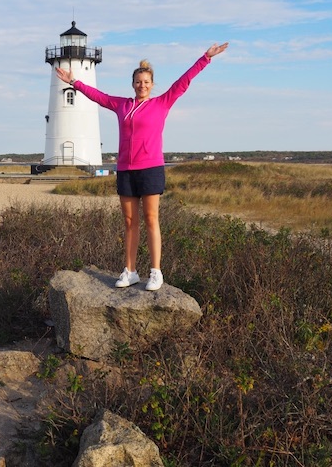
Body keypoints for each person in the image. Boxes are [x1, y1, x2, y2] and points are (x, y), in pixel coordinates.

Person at [55, 42, 228, 291]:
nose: (142, 85)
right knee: (129, 222)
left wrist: (205, 58)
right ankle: (130, 271)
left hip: (150, 169)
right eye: (138, 82)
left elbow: (183, 82)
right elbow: (99, 97)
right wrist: (75, 82)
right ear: (133, 83)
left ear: (152, 84)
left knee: (151, 219)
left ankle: (156, 272)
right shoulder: (122, 105)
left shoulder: (162, 103)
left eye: (146, 82)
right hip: (125, 169)